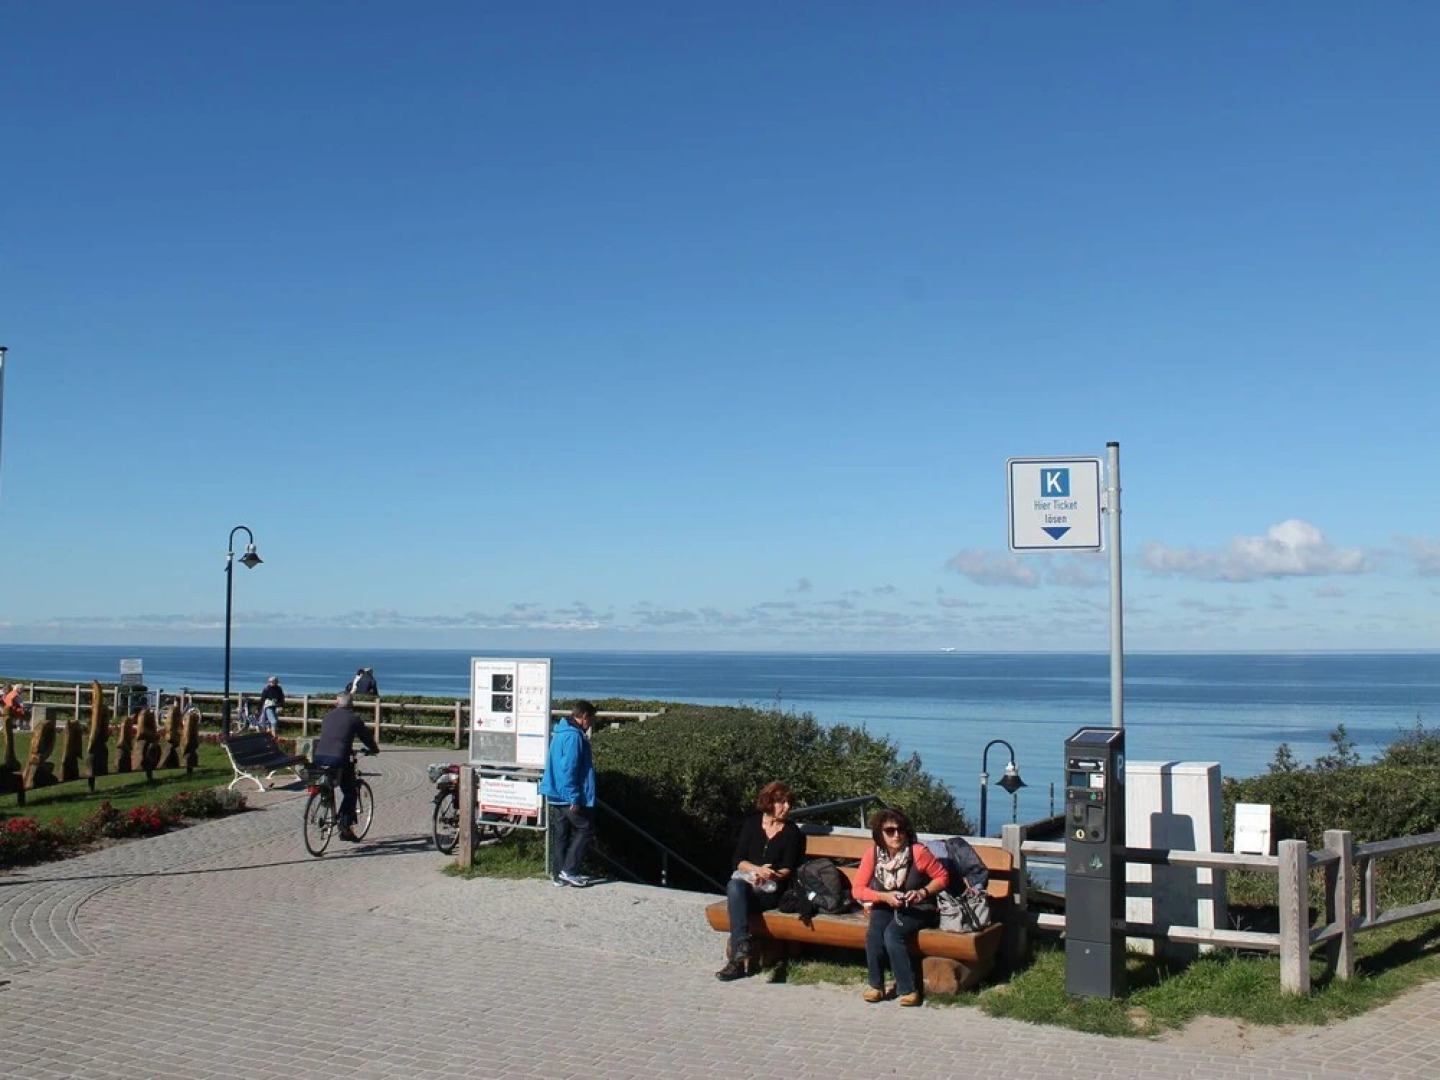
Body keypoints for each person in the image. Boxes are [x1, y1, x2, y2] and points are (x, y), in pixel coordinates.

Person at [851, 808, 949, 1007]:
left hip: (919, 906)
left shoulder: (918, 852)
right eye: (890, 831)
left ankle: (908, 988)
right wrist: (882, 896)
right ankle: (875, 985)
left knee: (892, 934)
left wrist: (922, 892)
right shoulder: (873, 854)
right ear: (880, 833)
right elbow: (858, 890)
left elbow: (942, 877)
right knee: (875, 933)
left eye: (901, 830)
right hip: (886, 902)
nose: (896, 835)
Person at [714, 781, 804, 982]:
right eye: (781, 802)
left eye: (789, 803)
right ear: (769, 803)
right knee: (735, 886)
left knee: (736, 895)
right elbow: (738, 860)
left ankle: (737, 959)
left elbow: (789, 868)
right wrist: (756, 870)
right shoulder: (751, 824)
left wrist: (771, 875)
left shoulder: (792, 833)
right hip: (747, 885)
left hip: (772, 891)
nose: (787, 807)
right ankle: (741, 953)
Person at [538, 700, 596, 887]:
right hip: (565, 793)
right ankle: (569, 870)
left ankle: (558, 874)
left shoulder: (560, 732)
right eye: (591, 719)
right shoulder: (573, 736)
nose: (591, 724)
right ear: (584, 716)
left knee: (562, 833)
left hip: (555, 791)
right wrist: (574, 796)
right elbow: (569, 767)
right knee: (585, 828)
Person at [311, 693, 379, 842]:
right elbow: (366, 737)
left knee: (329, 782)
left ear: (336, 703)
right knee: (350, 791)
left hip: (319, 756)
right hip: (339, 758)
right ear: (351, 704)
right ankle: (345, 825)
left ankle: (325, 797)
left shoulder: (327, 716)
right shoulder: (354, 718)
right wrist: (374, 749)